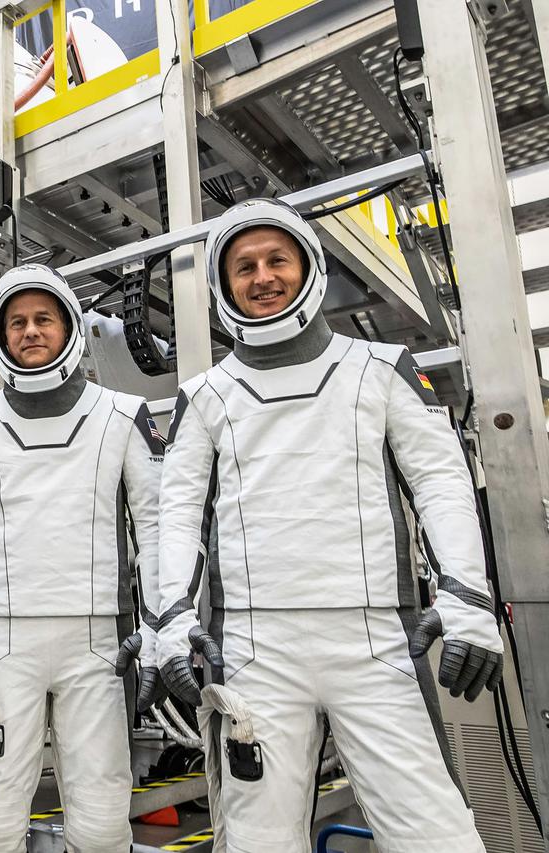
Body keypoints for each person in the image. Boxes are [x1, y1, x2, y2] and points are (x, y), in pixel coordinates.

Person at [156, 198, 501, 852]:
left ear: (307, 265)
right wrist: (171, 623)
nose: (262, 277)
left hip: (374, 644)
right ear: (223, 286)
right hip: (254, 651)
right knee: (257, 840)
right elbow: (174, 516)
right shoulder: (204, 398)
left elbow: (442, 483)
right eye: (244, 266)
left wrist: (469, 601)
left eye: (276, 259)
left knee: (436, 836)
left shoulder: (380, 368)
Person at [0, 264, 164, 853]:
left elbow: (155, 529)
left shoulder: (123, 417)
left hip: (99, 648)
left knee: (102, 822)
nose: (30, 332)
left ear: (68, 327)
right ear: (2, 337)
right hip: (4, 652)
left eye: (42, 319)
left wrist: (158, 627)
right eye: (17, 323)